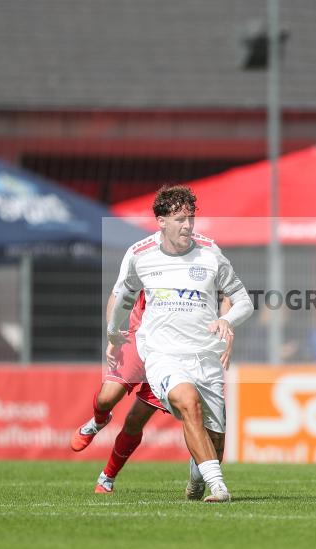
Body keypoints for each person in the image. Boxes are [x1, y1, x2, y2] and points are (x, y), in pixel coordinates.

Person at [108, 185, 254, 502]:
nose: (187, 226)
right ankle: (219, 487)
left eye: (190, 218)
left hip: (206, 357)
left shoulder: (210, 253)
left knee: (215, 439)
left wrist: (227, 320)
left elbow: (244, 301)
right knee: (188, 402)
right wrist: (112, 332)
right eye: (179, 219)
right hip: (163, 355)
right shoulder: (141, 255)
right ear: (161, 221)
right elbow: (124, 298)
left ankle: (197, 480)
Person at [70, 280, 234, 499]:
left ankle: (107, 477)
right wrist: (113, 330)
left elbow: (227, 296)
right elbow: (117, 293)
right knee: (106, 398)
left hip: (173, 349)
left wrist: (226, 328)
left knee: (135, 420)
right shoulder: (145, 261)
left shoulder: (204, 264)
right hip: (138, 339)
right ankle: (98, 421)